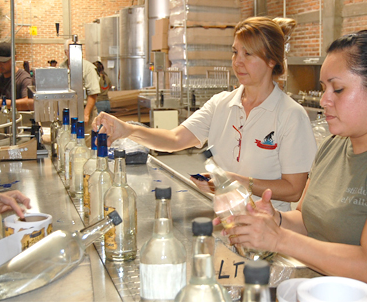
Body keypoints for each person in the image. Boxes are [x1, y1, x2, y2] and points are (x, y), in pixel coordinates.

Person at [93, 17, 317, 211]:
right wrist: (128, 130)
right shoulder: (221, 104)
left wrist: (235, 181)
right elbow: (175, 140)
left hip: (268, 229)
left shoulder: (290, 115)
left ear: (271, 60)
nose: (237, 61)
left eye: (248, 54)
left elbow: (293, 190)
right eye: (235, 52)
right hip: (224, 221)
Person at [222, 30, 367, 282]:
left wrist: (280, 239)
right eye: (323, 89)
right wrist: (274, 219)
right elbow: (304, 219)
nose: (324, 100)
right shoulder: (332, 147)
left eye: (338, 89)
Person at [59, 39, 100, 125]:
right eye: (71, 50)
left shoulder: (88, 68)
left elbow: (93, 93)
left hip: (83, 111)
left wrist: (86, 114)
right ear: (66, 52)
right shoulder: (61, 68)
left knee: (85, 137)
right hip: (66, 112)